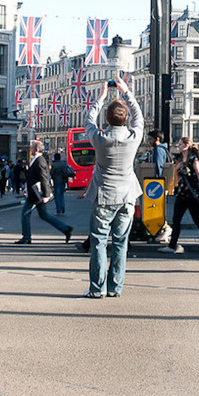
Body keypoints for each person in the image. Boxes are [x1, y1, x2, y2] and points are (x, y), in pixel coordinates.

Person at [82, 77, 142, 298]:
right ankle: (115, 287)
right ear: (124, 118)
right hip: (127, 196)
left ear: (106, 119)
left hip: (104, 195)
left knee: (98, 242)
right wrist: (126, 93)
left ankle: (97, 288)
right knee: (120, 242)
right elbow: (139, 116)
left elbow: (88, 120)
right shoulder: (134, 136)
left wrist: (100, 98)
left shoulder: (99, 137)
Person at [159, 138, 199, 254]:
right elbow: (177, 178)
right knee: (176, 219)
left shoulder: (194, 160)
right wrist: (176, 169)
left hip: (191, 194)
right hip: (182, 192)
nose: (178, 146)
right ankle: (172, 245)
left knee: (197, 219)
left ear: (187, 145)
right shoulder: (180, 161)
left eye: (180, 144)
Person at [16, 140, 73, 245]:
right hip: (34, 192)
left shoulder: (40, 161)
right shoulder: (35, 160)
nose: (30, 149)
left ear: (36, 149)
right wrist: (26, 188)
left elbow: (44, 178)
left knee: (25, 214)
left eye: (32, 148)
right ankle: (65, 229)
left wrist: (46, 194)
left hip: (36, 193)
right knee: (44, 215)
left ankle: (26, 237)